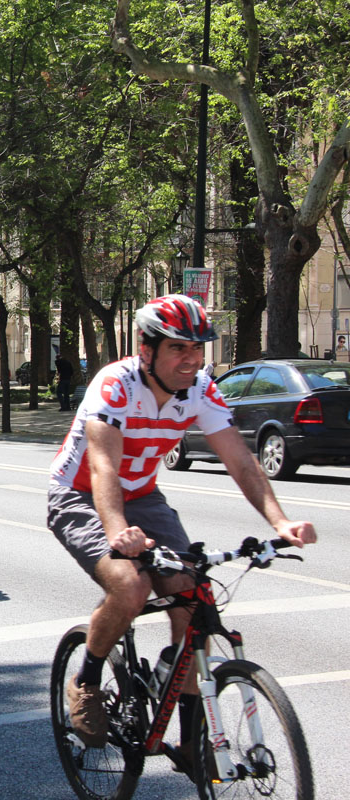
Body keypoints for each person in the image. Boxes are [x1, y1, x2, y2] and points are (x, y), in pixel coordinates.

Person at [47, 294, 316, 753]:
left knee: (193, 597)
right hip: (82, 495)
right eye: (179, 348)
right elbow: (104, 468)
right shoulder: (116, 385)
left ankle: (192, 740)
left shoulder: (200, 389)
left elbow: (240, 459)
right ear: (146, 348)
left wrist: (281, 521)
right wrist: (117, 533)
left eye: (198, 349)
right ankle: (87, 677)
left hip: (144, 498)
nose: (192, 359)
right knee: (130, 586)